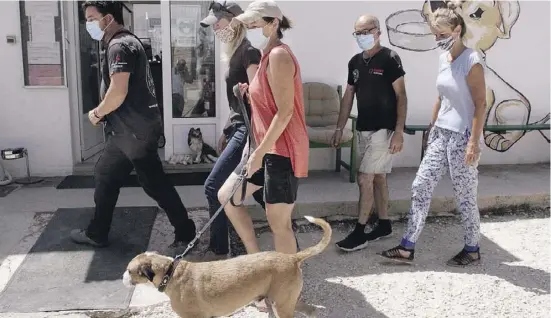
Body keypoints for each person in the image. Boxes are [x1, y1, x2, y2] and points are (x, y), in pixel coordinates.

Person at [71, 1, 196, 250]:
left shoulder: (118, 46)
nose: (88, 24)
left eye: (91, 18)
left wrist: (97, 113)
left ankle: (185, 231)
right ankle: (99, 231)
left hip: (132, 131)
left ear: (108, 19)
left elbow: (118, 91)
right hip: (131, 130)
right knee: (109, 175)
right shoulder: (128, 41)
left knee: (151, 182)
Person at [380, 1, 486, 266]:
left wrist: (473, 142)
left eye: (442, 34)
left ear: (457, 29)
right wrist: (432, 124)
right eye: (435, 35)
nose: (438, 39)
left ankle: (472, 247)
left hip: (462, 136)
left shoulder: (472, 60)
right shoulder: (442, 58)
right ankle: (407, 247)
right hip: (441, 132)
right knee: (421, 185)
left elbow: (480, 103)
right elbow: (441, 96)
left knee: (464, 195)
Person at [218, 0, 309, 256]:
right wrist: (250, 94)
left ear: (274, 22)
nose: (254, 24)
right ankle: (256, 261)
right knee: (227, 196)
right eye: (252, 21)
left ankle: (287, 288)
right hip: (265, 146)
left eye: (259, 20)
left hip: (281, 149)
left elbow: (285, 112)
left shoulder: (279, 54)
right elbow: (270, 99)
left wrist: (258, 155)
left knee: (279, 224)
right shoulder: (265, 52)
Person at [331, 15, 408, 252]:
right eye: (358, 32)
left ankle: (359, 232)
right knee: (378, 177)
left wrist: (398, 131)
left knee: (364, 178)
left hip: (384, 130)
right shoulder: (354, 62)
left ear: (377, 32)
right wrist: (339, 127)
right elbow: (348, 96)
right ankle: (384, 224)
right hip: (364, 128)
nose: (362, 36)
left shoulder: (390, 58)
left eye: (366, 31)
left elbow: (401, 95)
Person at [199, 0, 266, 261]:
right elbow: (238, 101)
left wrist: (256, 141)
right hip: (238, 128)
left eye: (219, 23)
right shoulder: (236, 51)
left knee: (213, 187)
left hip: (248, 132)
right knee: (258, 190)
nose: (216, 29)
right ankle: (285, 228)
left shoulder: (249, 53)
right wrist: (227, 129)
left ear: (236, 21)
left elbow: (258, 99)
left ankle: (219, 250)